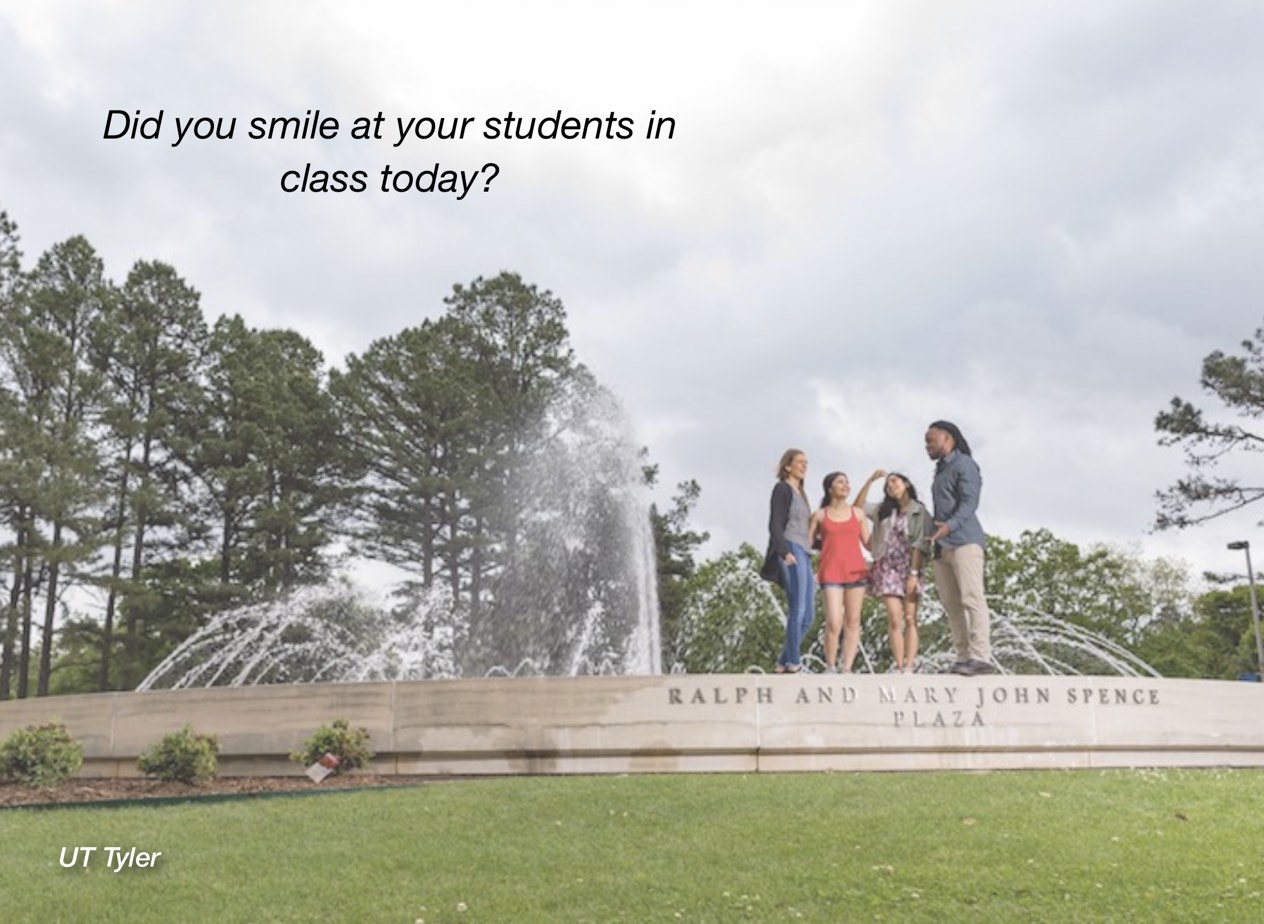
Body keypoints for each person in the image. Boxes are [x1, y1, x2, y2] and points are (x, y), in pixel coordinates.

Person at [924, 420, 993, 675]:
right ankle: (963, 657)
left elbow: (970, 503)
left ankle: (981, 656)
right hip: (942, 547)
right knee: (951, 604)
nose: (927, 446)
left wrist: (949, 526)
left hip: (965, 541)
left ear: (947, 438)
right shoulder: (940, 470)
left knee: (971, 598)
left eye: (931, 441)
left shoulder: (964, 464)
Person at [855, 469, 932, 672]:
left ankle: (909, 666)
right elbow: (857, 507)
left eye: (895, 481)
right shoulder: (883, 510)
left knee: (910, 618)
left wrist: (914, 575)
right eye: (887, 484)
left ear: (906, 484)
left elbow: (920, 545)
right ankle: (899, 666)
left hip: (910, 567)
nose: (891, 485)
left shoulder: (919, 511)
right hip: (886, 566)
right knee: (894, 617)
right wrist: (870, 481)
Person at [808, 472, 870, 673]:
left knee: (853, 621)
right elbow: (807, 545)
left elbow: (869, 544)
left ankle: (847, 668)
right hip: (830, 572)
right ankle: (830, 666)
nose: (845, 485)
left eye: (847, 482)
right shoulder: (819, 515)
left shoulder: (858, 514)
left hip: (856, 572)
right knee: (834, 621)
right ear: (829, 488)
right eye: (840, 482)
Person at [759, 449, 815, 673]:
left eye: (806, 463)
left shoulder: (801, 493)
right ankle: (794, 662)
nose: (804, 466)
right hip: (791, 549)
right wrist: (783, 551)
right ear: (787, 467)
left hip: (805, 552)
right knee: (797, 608)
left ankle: (783, 663)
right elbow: (774, 523)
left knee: (808, 616)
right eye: (800, 462)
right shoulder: (782, 489)